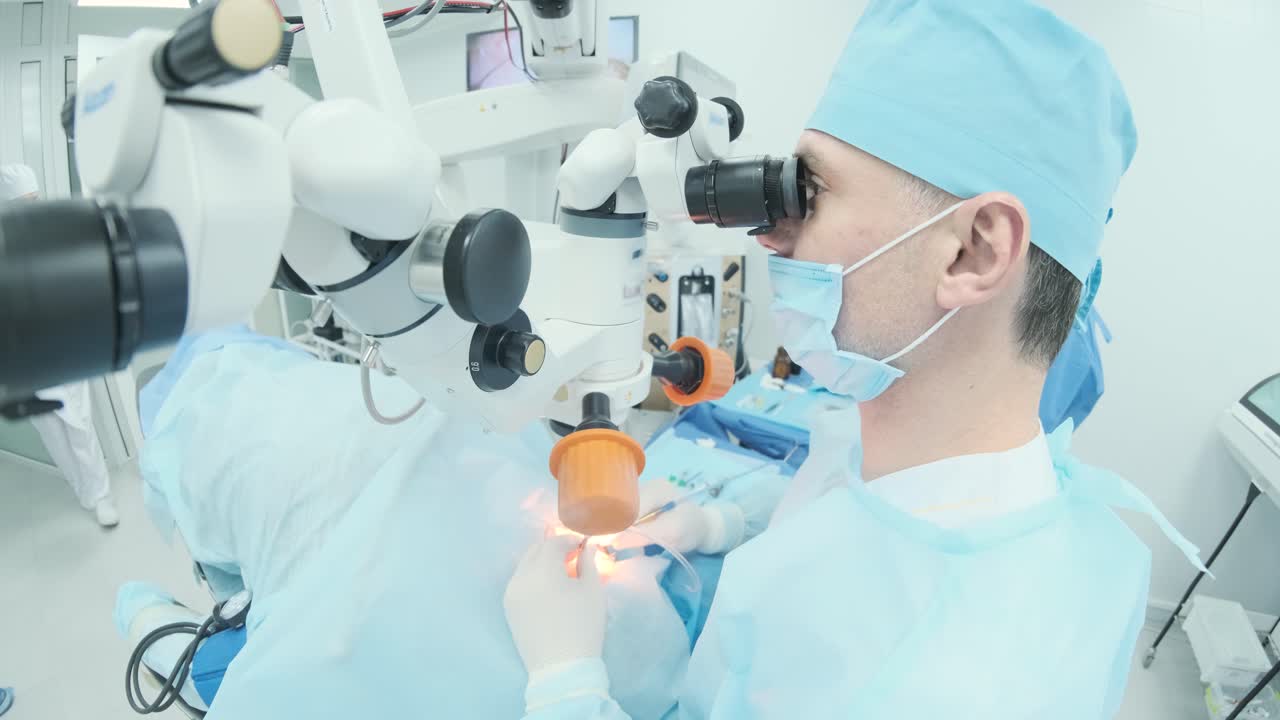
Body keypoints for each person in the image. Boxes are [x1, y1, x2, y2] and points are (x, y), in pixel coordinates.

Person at [502, 1, 1205, 718]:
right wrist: (719, 525)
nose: (771, 236)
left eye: (810, 191)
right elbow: (852, 533)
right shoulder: (969, 483)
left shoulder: (944, 692)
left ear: (974, 251)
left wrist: (567, 684)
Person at [117, 331, 691, 719]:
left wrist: (567, 679)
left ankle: (155, 627)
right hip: (348, 474)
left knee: (230, 654)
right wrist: (714, 523)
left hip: (337, 570)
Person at [0, 163, 118, 527]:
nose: (31, 207)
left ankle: (99, 494)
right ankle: (82, 489)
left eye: (34, 199)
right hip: (25, 355)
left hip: (66, 345)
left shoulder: (56, 233)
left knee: (80, 424)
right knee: (50, 430)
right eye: (23, 201)